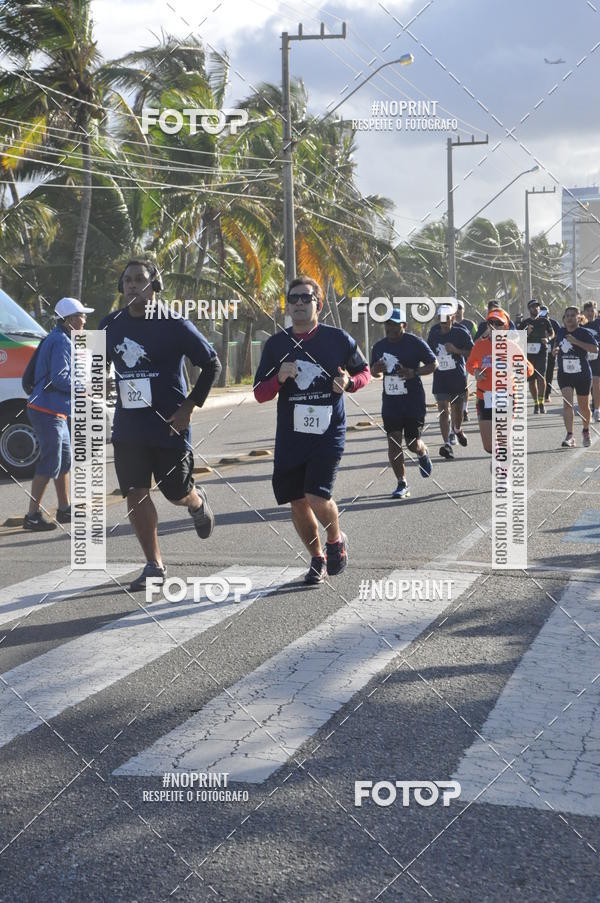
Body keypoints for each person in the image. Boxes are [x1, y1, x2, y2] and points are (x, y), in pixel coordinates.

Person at [100, 260, 221, 591]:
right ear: (121, 287)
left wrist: (188, 407)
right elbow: (96, 366)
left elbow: (211, 363)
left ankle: (196, 500)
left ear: (155, 284)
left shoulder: (174, 323)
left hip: (170, 424)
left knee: (175, 492)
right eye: (127, 280)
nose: (133, 285)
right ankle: (154, 565)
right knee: (136, 493)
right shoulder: (109, 324)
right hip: (129, 427)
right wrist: (102, 383)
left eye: (140, 279)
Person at [253, 276, 370, 585]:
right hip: (292, 436)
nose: (300, 303)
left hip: (328, 431)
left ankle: (335, 538)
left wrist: (349, 383)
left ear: (318, 303)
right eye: (294, 298)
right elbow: (259, 393)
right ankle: (317, 558)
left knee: (316, 496)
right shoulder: (276, 345)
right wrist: (278, 379)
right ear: (287, 305)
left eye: (307, 298)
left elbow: (364, 372)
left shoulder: (338, 339)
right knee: (297, 501)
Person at [23, 297, 94, 531]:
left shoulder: (60, 337)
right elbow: (59, 378)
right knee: (51, 462)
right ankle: (32, 516)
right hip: (47, 410)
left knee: (64, 461)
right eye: (81, 316)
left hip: (56, 411)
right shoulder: (62, 341)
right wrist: (84, 386)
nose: (84, 320)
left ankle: (64, 509)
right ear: (70, 320)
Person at [370, 307, 437, 499]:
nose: (390, 328)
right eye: (387, 325)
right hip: (391, 402)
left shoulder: (415, 343)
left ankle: (422, 452)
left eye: (394, 324)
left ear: (404, 325)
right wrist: (376, 369)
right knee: (393, 440)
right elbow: (374, 372)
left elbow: (434, 364)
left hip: (413, 401)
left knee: (412, 443)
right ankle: (402, 483)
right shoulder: (379, 346)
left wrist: (413, 372)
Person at [466, 309, 533, 455]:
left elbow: (529, 370)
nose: (494, 326)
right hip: (484, 397)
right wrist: (476, 372)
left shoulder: (512, 347)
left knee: (503, 440)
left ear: (506, 327)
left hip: (506, 396)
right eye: (491, 323)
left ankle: (504, 473)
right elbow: (470, 365)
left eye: (499, 323)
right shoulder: (479, 346)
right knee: (488, 447)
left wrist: (519, 368)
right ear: (487, 326)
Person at [426, 305, 473, 459]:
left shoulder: (461, 333)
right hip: (440, 378)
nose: (444, 322)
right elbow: (428, 353)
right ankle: (447, 443)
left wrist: (456, 350)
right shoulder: (433, 333)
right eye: (441, 319)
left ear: (453, 317)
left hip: (457, 378)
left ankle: (457, 430)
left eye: (447, 318)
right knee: (443, 411)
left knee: (457, 413)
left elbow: (472, 353)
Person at [552, 305, 598, 447]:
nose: (570, 318)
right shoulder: (560, 332)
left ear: (578, 318)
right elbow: (556, 345)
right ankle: (570, 435)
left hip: (582, 374)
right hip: (565, 374)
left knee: (584, 406)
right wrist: (555, 350)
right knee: (567, 404)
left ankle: (586, 430)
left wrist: (576, 342)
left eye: (573, 315)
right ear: (564, 319)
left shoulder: (584, 333)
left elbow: (595, 349)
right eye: (567, 316)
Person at [518, 298, 554, 413]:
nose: (536, 308)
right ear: (529, 309)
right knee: (531, 380)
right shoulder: (524, 323)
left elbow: (552, 333)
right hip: (528, 353)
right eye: (533, 306)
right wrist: (527, 332)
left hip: (541, 352)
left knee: (541, 377)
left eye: (537, 306)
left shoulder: (545, 321)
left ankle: (541, 402)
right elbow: (518, 338)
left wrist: (548, 338)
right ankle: (535, 403)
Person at [454, 299, 476, 421]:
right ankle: (454, 410)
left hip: (466, 358)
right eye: (455, 308)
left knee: (463, 385)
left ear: (463, 310)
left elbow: (477, 338)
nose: (457, 311)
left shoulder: (470, 324)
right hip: (452, 359)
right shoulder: (448, 322)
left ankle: (464, 409)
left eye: (460, 308)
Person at [582, 300, 600, 421]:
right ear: (584, 312)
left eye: (591, 310)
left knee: (596, 382)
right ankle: (590, 407)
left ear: (596, 311)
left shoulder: (598, 323)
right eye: (587, 311)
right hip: (585, 357)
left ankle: (597, 409)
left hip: (598, 357)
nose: (589, 313)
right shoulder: (581, 325)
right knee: (588, 385)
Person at [541, 305, 561, 403]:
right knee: (540, 374)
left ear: (548, 314)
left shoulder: (554, 323)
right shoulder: (537, 322)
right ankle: (540, 394)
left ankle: (547, 394)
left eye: (545, 315)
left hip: (550, 352)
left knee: (549, 373)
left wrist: (556, 347)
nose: (544, 318)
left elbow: (560, 335)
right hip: (539, 352)